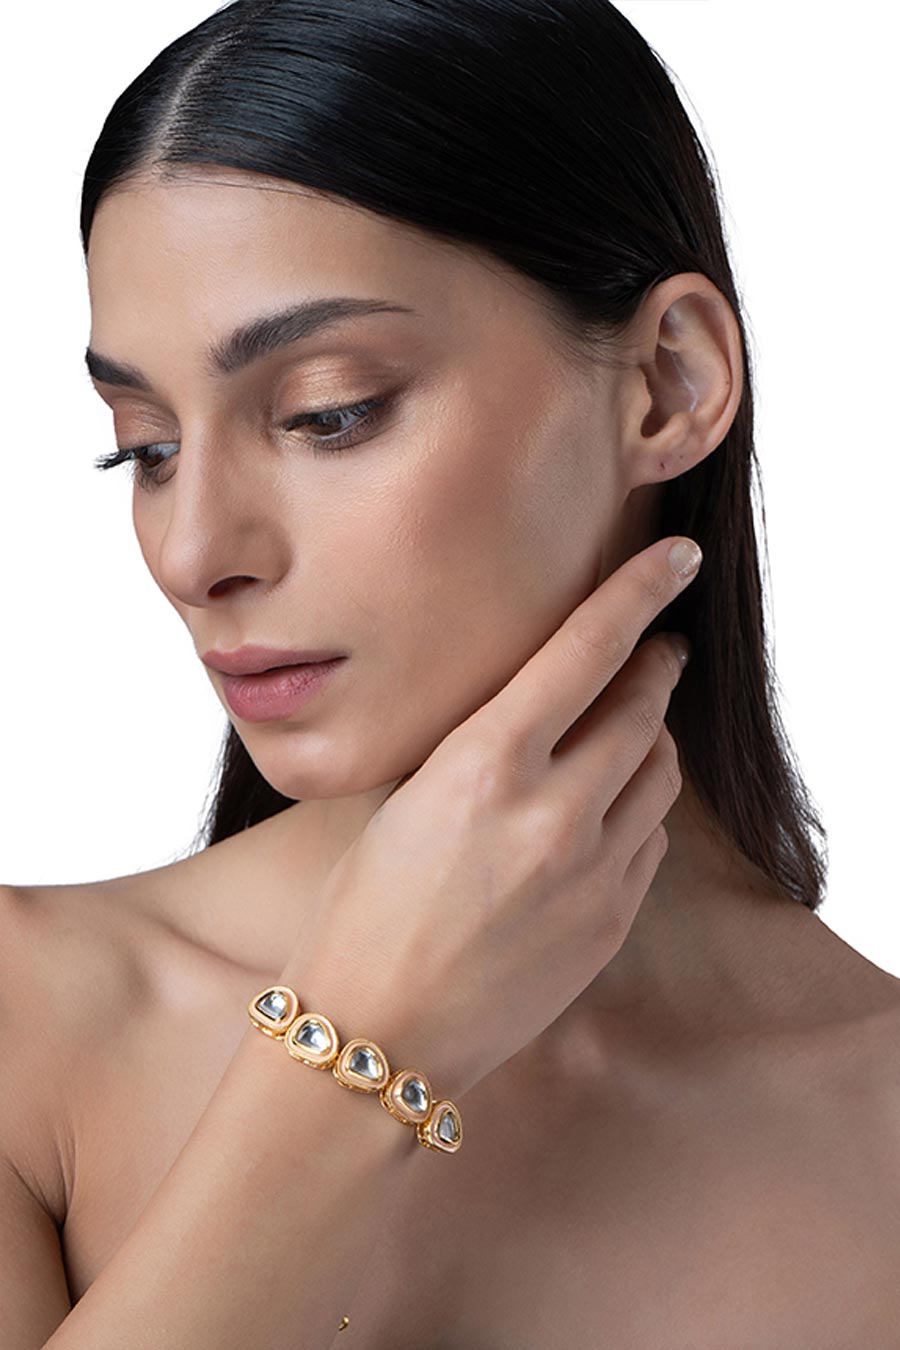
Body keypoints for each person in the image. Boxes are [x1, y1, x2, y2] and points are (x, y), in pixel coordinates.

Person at [2, 0, 898, 1345]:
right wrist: (363, 1045)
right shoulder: (28, 1025)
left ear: (668, 383)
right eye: (146, 447)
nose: (192, 552)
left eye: (329, 412)